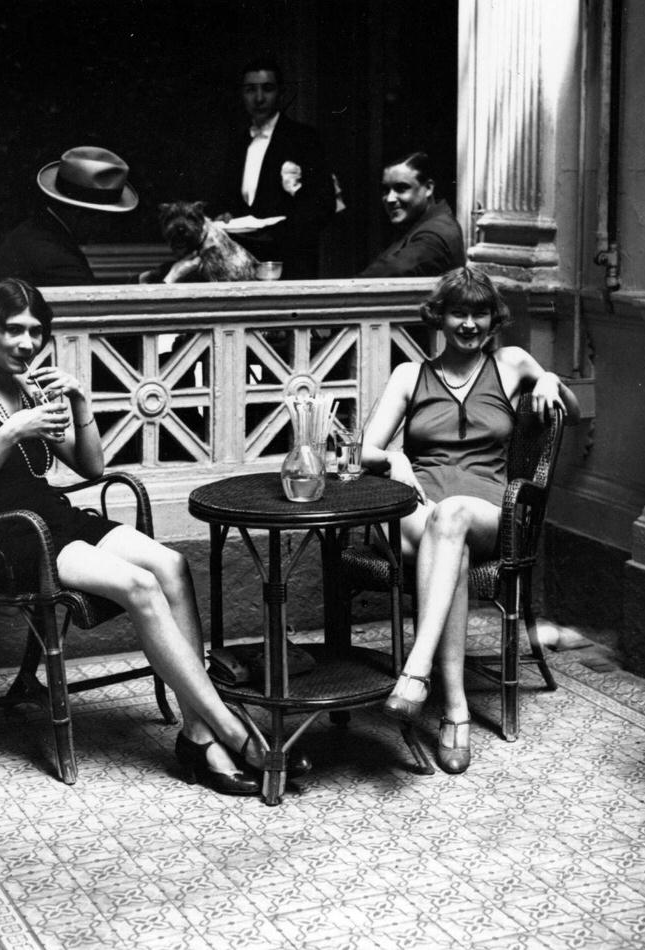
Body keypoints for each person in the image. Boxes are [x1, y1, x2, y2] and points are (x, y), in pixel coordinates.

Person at [0, 277, 298, 796]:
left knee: (170, 565)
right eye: (13, 330)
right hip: (10, 537)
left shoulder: (28, 387)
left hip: (56, 518)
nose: (28, 344)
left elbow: (92, 467)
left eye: (36, 332)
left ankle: (196, 732)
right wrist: (11, 432)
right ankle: (233, 733)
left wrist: (78, 401)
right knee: (140, 586)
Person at [359, 266, 580, 774]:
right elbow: (367, 449)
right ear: (439, 317)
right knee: (445, 535)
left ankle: (417, 671)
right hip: (418, 509)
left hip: (488, 510)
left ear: (493, 318)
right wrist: (393, 460)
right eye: (459, 312)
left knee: (454, 517)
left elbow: (573, 411)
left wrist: (550, 379)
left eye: (480, 313)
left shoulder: (511, 363)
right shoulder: (409, 376)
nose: (470, 323)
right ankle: (454, 712)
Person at [208, 56, 335, 280]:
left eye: (267, 89)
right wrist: (225, 214)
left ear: (281, 93)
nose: (258, 98)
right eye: (250, 90)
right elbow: (225, 198)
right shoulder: (236, 144)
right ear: (242, 94)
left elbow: (324, 205)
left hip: (291, 262)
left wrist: (281, 234)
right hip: (241, 262)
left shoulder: (304, 139)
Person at [0, 147, 138, 287]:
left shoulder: (35, 230)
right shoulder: (58, 260)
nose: (105, 227)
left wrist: (139, 281)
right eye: (103, 218)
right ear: (79, 213)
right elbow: (90, 305)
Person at [359, 151, 464, 278]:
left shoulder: (435, 234)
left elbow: (397, 269)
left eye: (401, 188)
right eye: (386, 190)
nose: (390, 199)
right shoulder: (421, 224)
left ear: (428, 188)